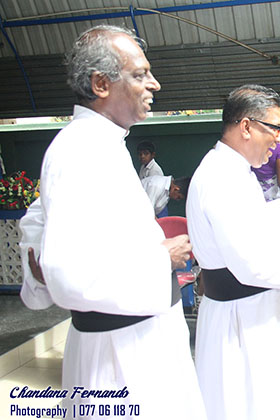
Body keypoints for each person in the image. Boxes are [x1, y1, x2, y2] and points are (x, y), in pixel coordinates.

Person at [37, 25, 206, 419]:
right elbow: (65, 274)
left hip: (140, 339)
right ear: (101, 84)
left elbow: (41, 223)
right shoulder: (78, 151)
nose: (155, 84)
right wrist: (159, 258)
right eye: (140, 74)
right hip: (118, 355)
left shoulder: (102, 145)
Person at [186, 84, 280, 420]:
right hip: (243, 320)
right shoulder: (223, 177)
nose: (279, 139)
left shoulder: (233, 170)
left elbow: (244, 236)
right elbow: (249, 264)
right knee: (249, 405)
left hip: (249, 311)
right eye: (274, 128)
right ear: (246, 126)